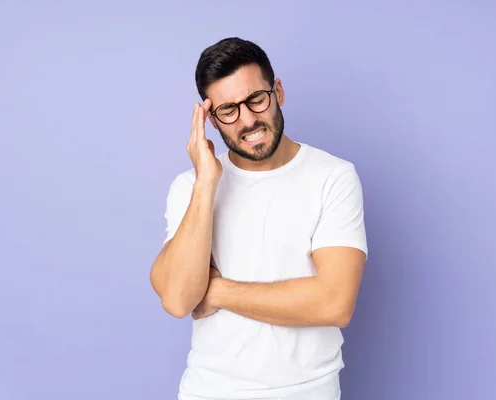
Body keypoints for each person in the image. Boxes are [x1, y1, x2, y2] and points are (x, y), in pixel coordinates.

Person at [150, 37, 368, 400]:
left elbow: (334, 302)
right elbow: (176, 299)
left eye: (256, 99)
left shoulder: (333, 177)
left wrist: (217, 290)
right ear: (211, 119)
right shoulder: (190, 186)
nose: (248, 120)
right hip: (208, 390)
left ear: (277, 91)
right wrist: (206, 182)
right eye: (229, 110)